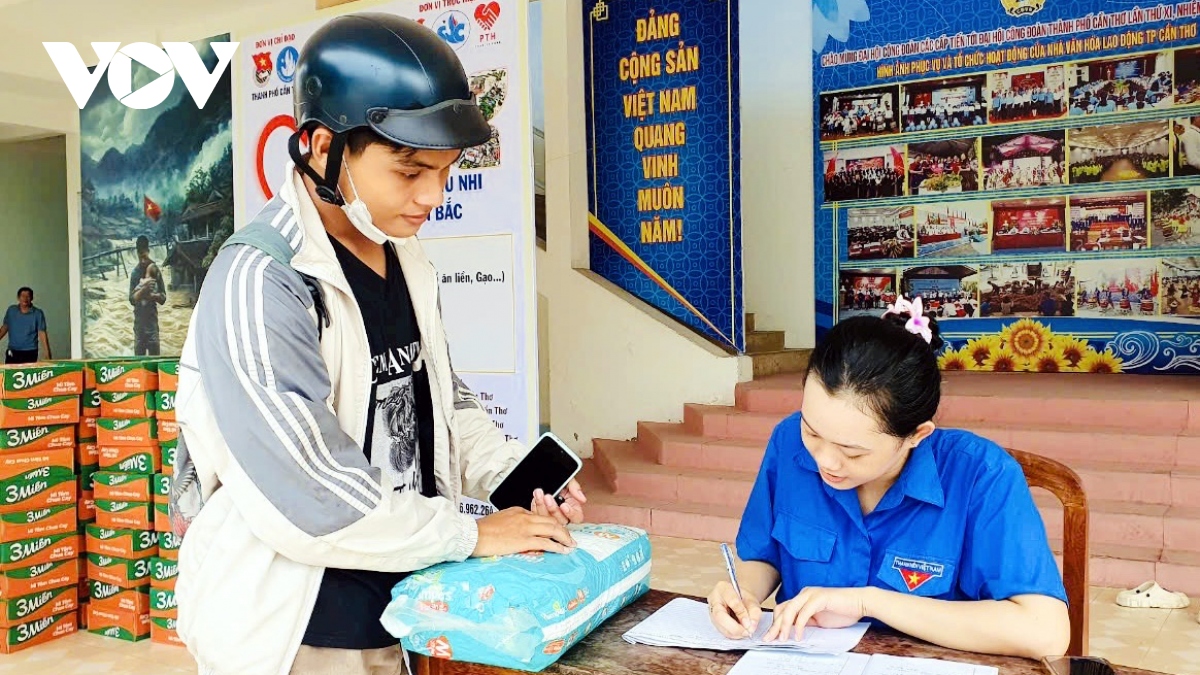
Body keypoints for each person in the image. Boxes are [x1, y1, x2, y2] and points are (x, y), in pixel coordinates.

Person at [170, 14, 587, 675]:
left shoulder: (405, 256)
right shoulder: (262, 283)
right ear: (319, 147)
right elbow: (309, 492)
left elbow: (444, 400)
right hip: (304, 634)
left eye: (447, 170)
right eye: (410, 169)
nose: (434, 196)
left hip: (406, 604)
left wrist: (517, 479)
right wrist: (475, 533)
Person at [706, 297, 1070, 660]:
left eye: (853, 452)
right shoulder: (787, 441)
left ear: (917, 435)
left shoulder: (980, 476)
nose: (824, 461)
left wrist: (867, 602)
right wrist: (746, 595)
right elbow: (762, 556)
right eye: (812, 432)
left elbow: (1045, 632)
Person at [128, 236, 166, 356]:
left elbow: (163, 298)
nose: (143, 260)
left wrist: (152, 296)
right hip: (139, 324)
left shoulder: (155, 270)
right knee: (139, 363)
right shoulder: (135, 273)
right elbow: (132, 299)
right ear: (137, 253)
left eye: (144, 256)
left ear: (148, 251)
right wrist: (143, 291)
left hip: (152, 323)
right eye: (140, 256)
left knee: (155, 361)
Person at [0, 287, 50, 364]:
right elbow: (5, 327)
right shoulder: (11, 310)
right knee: (11, 374)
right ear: (18, 298)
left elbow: (42, 333)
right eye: (23, 296)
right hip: (13, 350)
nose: (25, 299)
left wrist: (47, 353)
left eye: (28, 296)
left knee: (27, 374)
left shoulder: (38, 313)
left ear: (32, 298)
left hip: (30, 351)